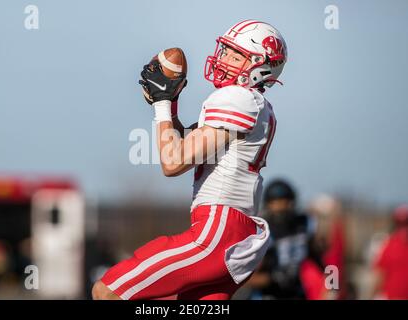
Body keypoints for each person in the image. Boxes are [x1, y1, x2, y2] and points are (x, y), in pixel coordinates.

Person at [92, 20, 288, 300]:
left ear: (261, 66)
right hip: (232, 233)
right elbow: (183, 142)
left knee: (108, 290)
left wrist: (161, 103)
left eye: (236, 55)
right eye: (226, 51)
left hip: (218, 232)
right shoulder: (255, 105)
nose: (223, 59)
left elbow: (173, 162)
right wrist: (170, 103)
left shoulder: (238, 98)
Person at [246, 179, 310, 299]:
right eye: (276, 203)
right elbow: (247, 278)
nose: (281, 208)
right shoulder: (263, 232)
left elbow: (327, 261)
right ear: (269, 205)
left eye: (285, 202)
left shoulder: (303, 226)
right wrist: (273, 278)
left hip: (296, 293)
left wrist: (332, 285)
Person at [372, 204, 408, 299]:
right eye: (400, 224)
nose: (404, 228)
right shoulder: (390, 244)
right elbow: (380, 274)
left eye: (406, 223)